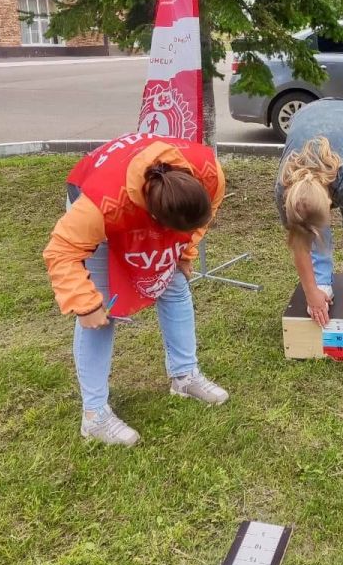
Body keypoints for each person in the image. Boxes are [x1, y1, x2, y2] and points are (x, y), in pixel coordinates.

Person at [43, 132, 228, 447]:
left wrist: (184, 253)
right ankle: (94, 416)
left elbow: (197, 222)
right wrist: (84, 303)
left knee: (174, 284)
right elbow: (61, 251)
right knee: (103, 308)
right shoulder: (100, 206)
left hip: (142, 194)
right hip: (97, 189)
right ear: (154, 219)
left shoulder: (210, 174)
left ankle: (185, 376)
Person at [275, 98, 343, 327]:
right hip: (312, 114)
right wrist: (311, 291)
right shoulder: (284, 190)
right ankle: (323, 280)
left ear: (330, 199)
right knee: (309, 221)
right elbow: (298, 241)